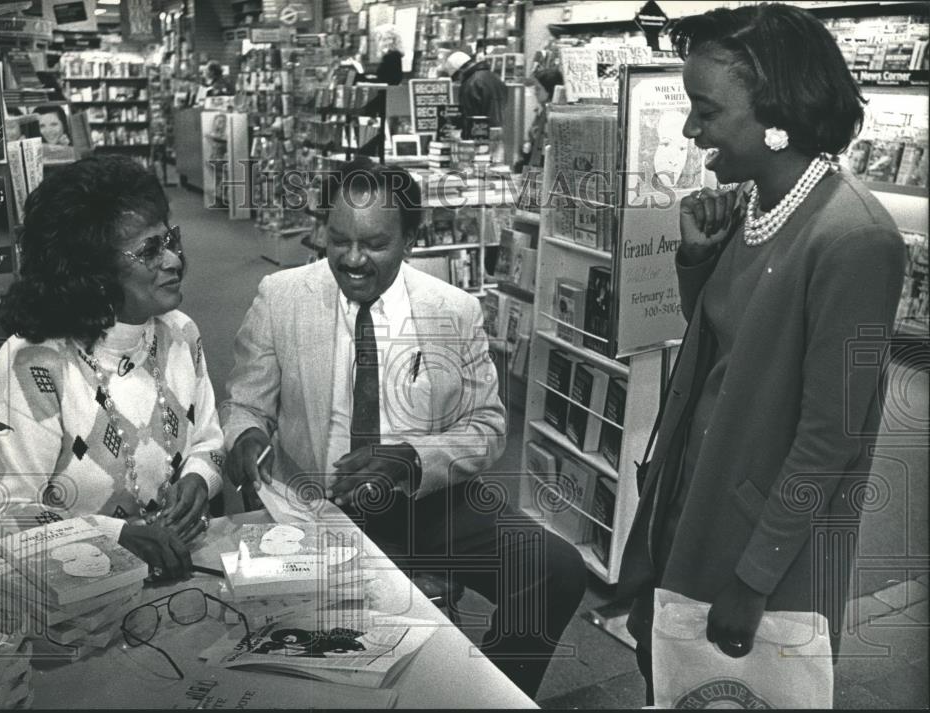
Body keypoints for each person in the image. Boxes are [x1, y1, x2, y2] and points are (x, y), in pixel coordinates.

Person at [615, 4, 907, 704]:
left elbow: (831, 435)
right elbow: (737, 351)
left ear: (776, 111)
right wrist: (695, 259)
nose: (691, 128)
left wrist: (754, 579)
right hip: (691, 493)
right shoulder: (751, 205)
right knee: (666, 672)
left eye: (704, 109)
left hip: (755, 536)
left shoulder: (855, 239)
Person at [221, 157, 586, 698]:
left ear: (411, 239)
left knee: (556, 570)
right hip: (315, 506)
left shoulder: (453, 310)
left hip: (426, 504)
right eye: (338, 239)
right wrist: (246, 437)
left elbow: (487, 425)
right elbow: (245, 405)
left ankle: (485, 697)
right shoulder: (282, 296)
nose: (351, 259)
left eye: (374, 244)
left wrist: (413, 457)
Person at [0, 156, 225, 582]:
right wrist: (110, 536)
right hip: (73, 592)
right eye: (149, 251)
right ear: (93, 269)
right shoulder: (32, 365)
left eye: (169, 240)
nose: (174, 260)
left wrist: (199, 480)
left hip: (176, 575)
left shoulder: (181, 334)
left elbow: (210, 441)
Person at [442, 50, 507, 139]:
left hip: (480, 138)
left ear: (461, 71)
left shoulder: (470, 84)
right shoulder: (496, 78)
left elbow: (470, 117)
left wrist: (462, 135)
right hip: (501, 133)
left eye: (455, 77)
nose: (457, 81)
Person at [516, 68, 562, 172]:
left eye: (538, 89)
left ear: (550, 90)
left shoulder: (554, 115)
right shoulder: (541, 111)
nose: (535, 93)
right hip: (535, 165)